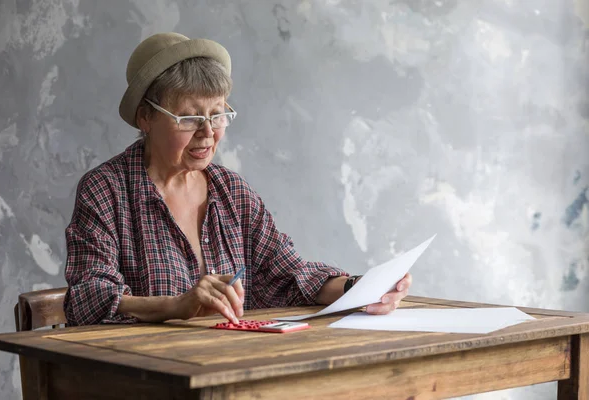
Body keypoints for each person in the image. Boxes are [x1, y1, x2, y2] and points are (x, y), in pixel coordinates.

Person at [63, 33, 412, 326]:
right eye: (189, 118)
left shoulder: (231, 191)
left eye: (217, 115)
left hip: (225, 368)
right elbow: (86, 298)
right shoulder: (106, 190)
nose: (207, 133)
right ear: (146, 118)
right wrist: (175, 307)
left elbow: (288, 277)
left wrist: (361, 287)